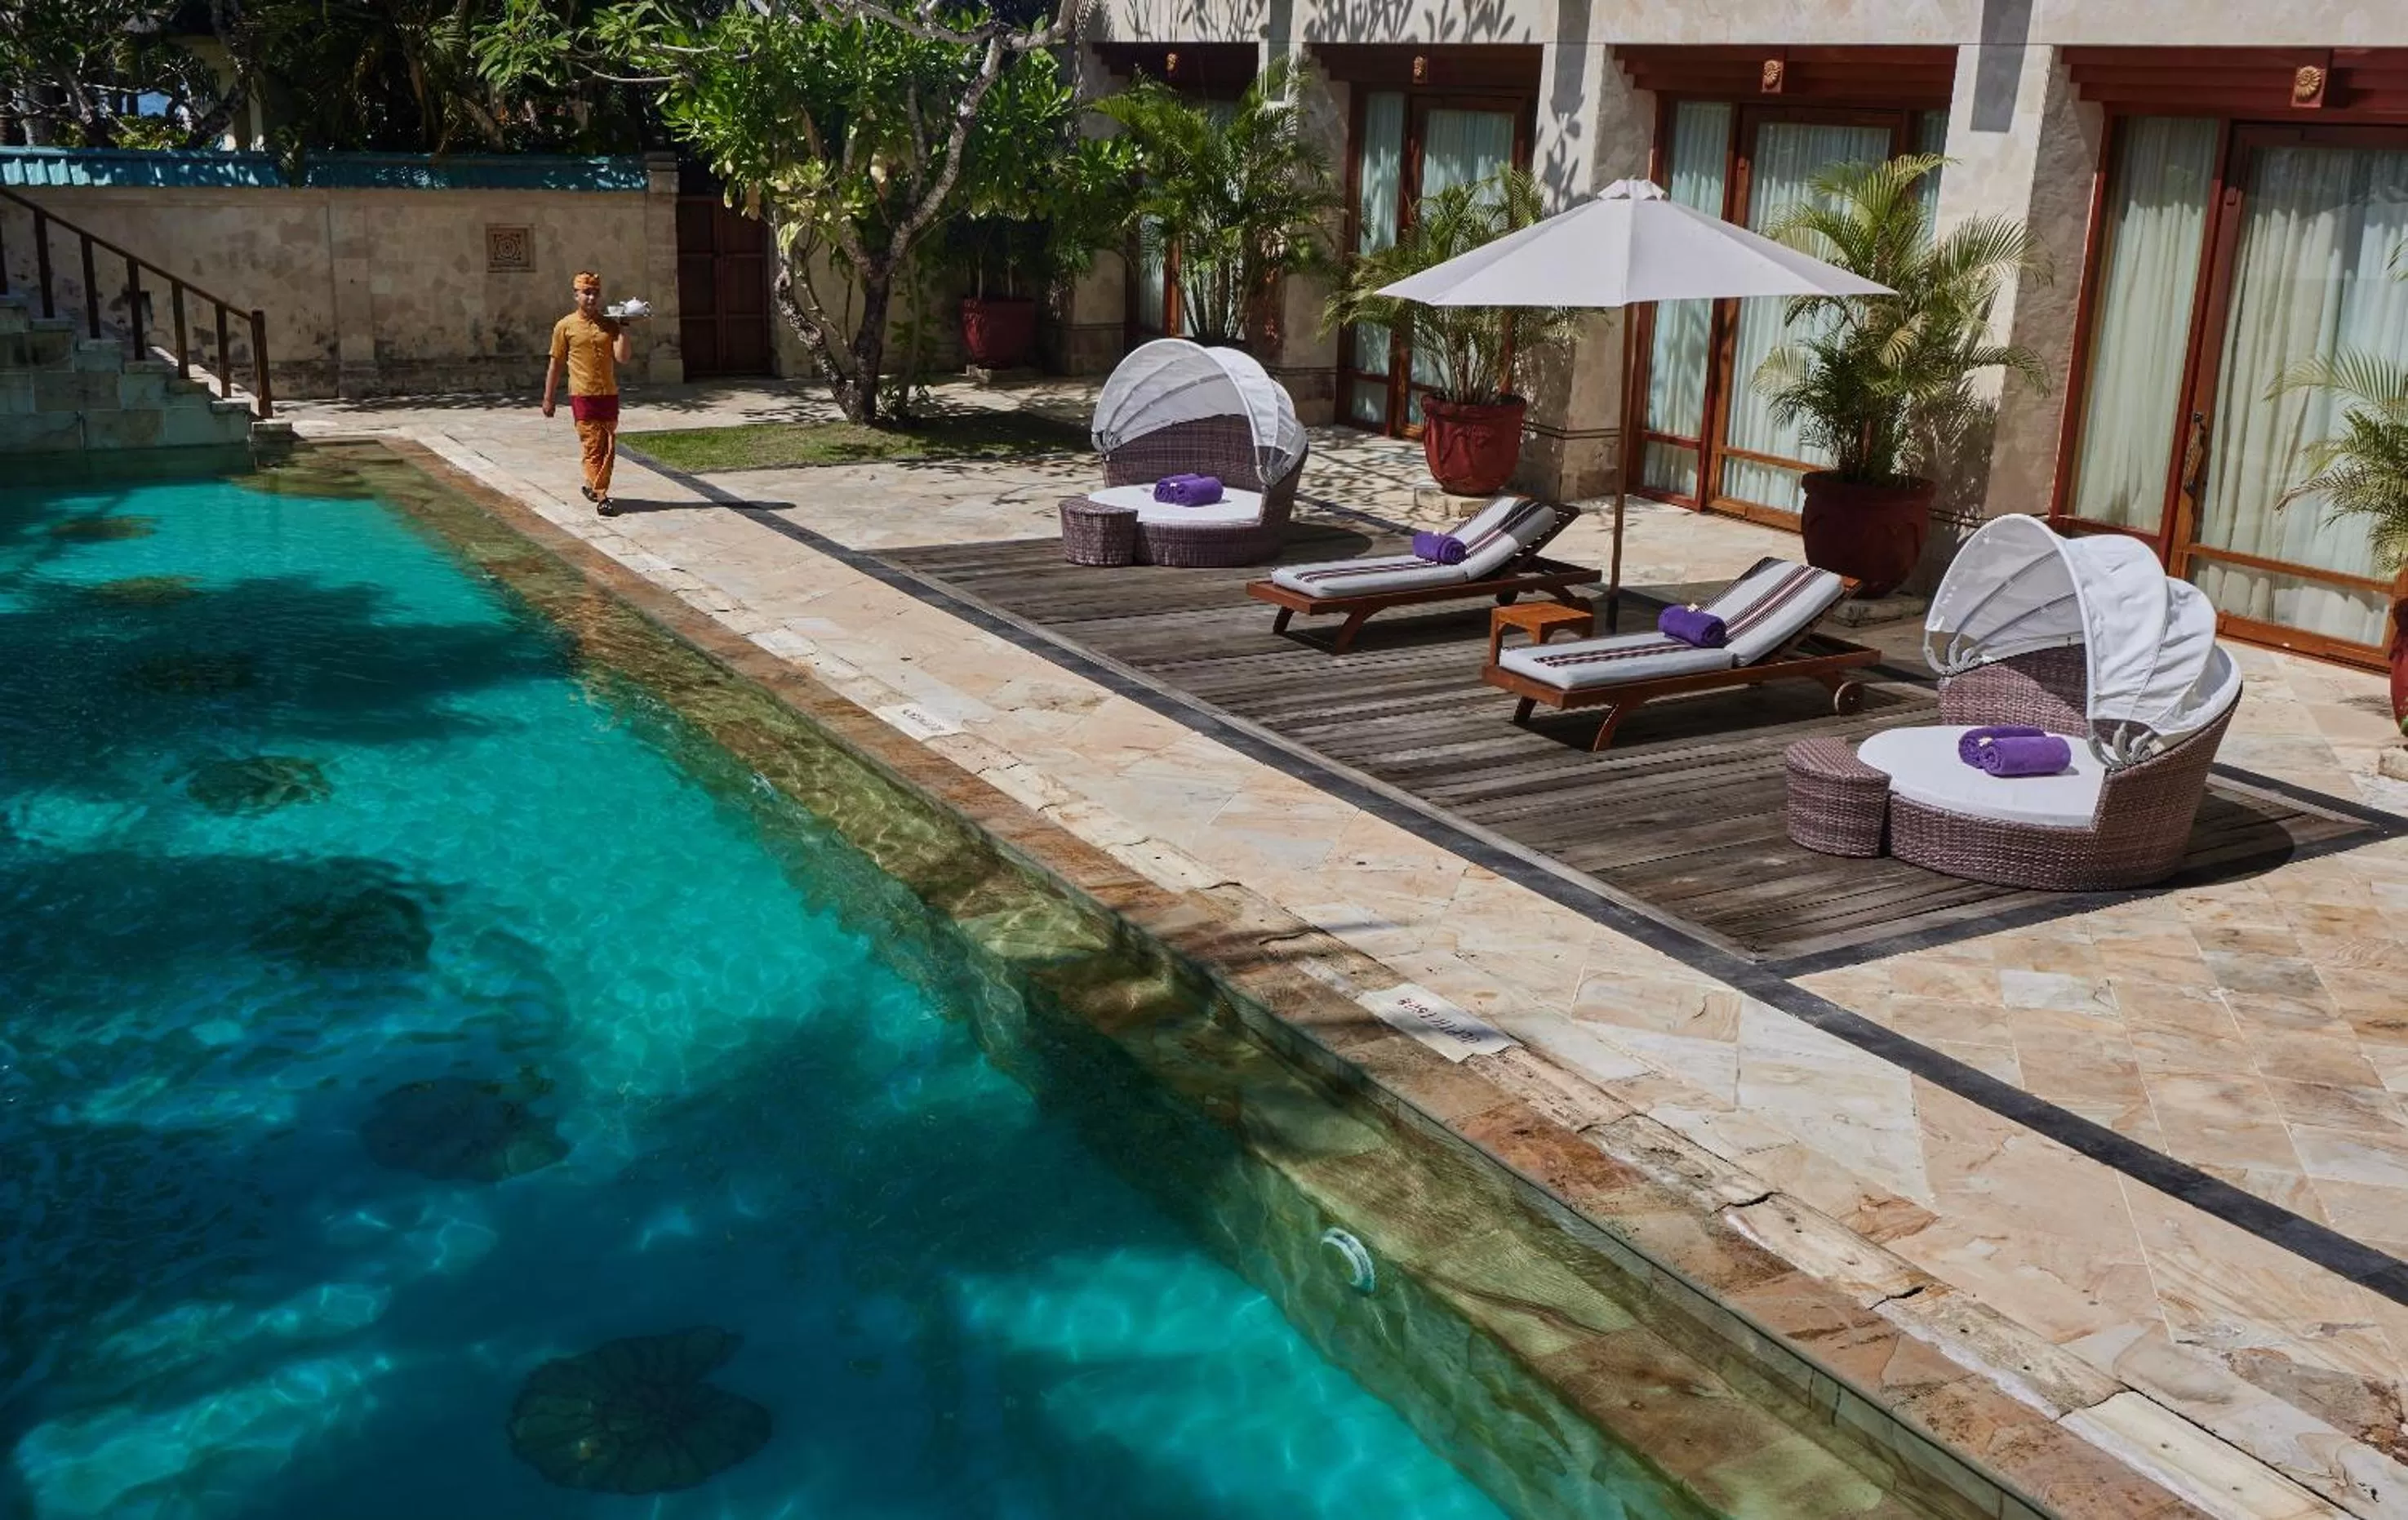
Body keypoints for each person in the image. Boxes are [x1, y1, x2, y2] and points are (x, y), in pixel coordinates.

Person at [543, 271, 634, 516]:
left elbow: (623, 358)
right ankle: (602, 495)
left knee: (607, 444)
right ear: (576, 295)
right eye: (586, 293)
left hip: (608, 394)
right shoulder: (565, 326)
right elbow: (556, 364)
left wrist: (624, 327)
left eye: (595, 293)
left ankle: (590, 484)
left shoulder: (609, 325)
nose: (591, 298)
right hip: (582, 395)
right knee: (593, 444)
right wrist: (549, 399)